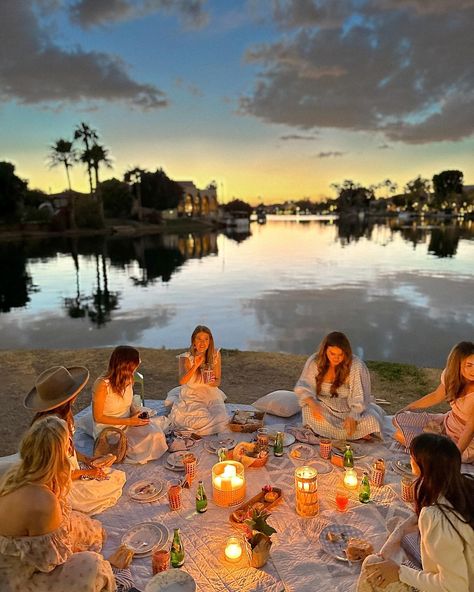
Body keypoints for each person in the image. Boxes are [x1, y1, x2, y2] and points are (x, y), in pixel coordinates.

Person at [0, 415, 116, 591]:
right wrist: (74, 551)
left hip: (26, 553)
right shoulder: (43, 503)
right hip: (22, 577)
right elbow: (50, 563)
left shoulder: (18, 472)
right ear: (63, 453)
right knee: (94, 566)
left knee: (85, 526)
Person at [357, 433, 474, 592]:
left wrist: (399, 572)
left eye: (412, 457)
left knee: (372, 566)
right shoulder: (465, 484)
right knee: (405, 540)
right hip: (460, 566)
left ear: (422, 466)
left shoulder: (437, 518)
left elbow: (455, 586)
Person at [25, 365, 127, 515]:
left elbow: (70, 452)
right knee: (113, 481)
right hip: (61, 486)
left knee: (114, 475)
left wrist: (88, 459)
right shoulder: (51, 431)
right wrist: (87, 473)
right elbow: (56, 476)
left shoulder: (63, 417)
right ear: (70, 397)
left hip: (71, 471)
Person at [393, 341, 474, 463]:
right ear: (457, 364)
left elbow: (470, 429)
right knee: (398, 420)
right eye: (469, 365)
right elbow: (436, 396)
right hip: (446, 422)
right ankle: (433, 441)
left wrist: (456, 455)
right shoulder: (451, 376)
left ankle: (433, 446)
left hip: (465, 440)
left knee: (434, 454)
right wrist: (410, 406)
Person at [294, 331, 384, 439]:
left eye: (340, 354)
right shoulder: (315, 362)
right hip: (324, 406)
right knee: (308, 411)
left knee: (371, 421)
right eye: (332, 353)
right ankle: (355, 435)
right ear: (325, 350)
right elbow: (304, 386)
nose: (336, 358)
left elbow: (359, 395)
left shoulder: (356, 365)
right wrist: (314, 404)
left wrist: (353, 416)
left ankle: (346, 432)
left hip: (348, 407)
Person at [92, 346, 168, 464]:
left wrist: (134, 412)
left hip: (128, 421)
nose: (136, 369)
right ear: (125, 367)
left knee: (155, 434)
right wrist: (129, 421)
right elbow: (98, 417)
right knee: (137, 448)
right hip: (110, 429)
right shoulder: (102, 385)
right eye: (134, 366)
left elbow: (129, 401)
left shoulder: (128, 378)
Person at [168, 325, 228, 435]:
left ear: (210, 341)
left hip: (210, 392)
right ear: (193, 340)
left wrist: (212, 382)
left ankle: (199, 432)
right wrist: (195, 366)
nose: (202, 343)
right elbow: (182, 381)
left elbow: (218, 380)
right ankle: (196, 431)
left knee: (222, 418)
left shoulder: (215, 355)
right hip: (192, 393)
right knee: (196, 421)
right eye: (199, 339)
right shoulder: (185, 357)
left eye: (206, 339)